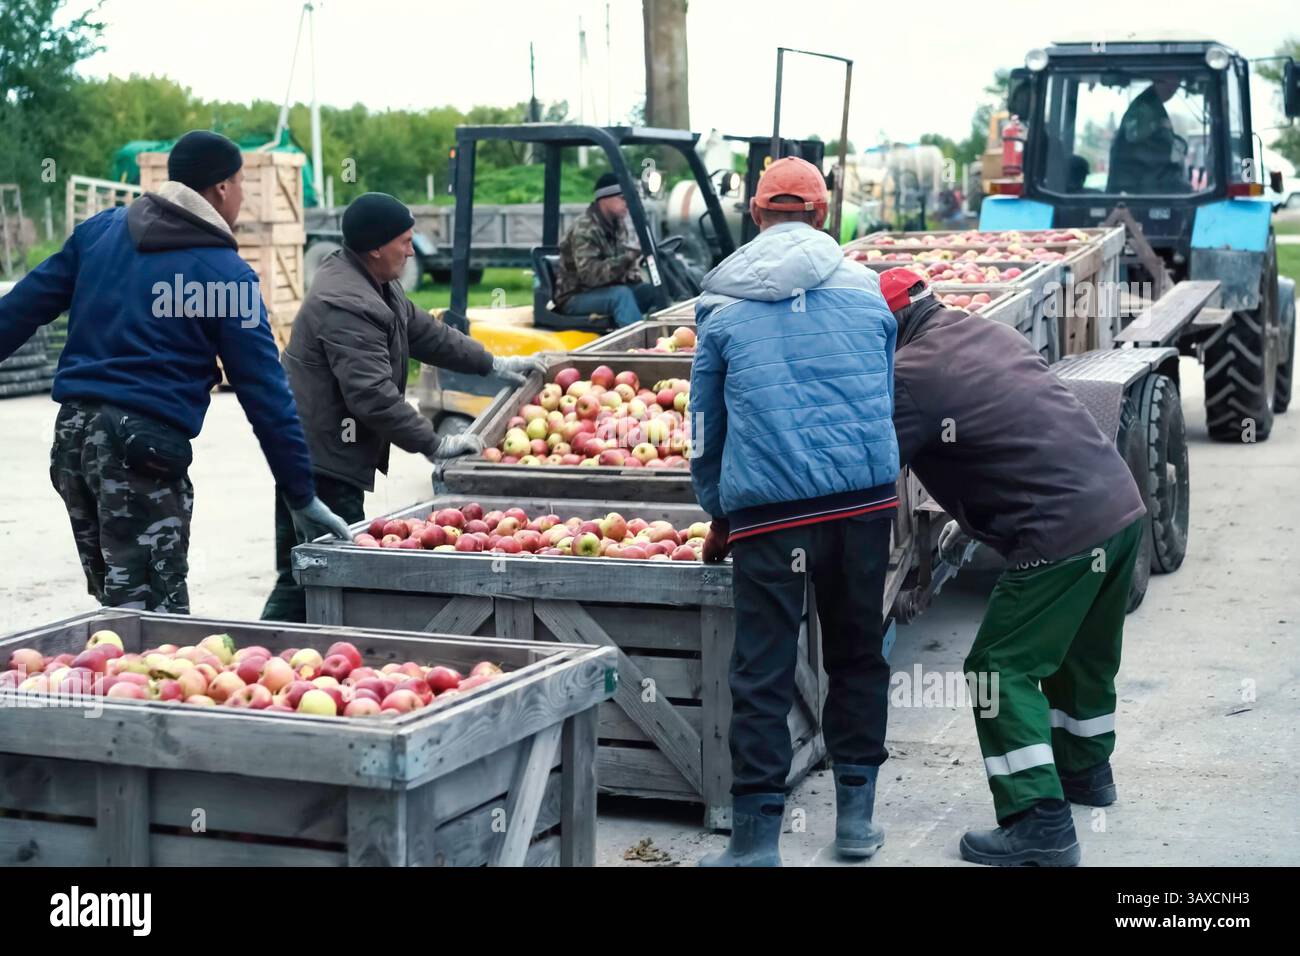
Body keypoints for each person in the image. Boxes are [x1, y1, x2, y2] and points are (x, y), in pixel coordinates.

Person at [0, 130, 349, 613]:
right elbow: (266, 394)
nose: (243, 195)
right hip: (138, 449)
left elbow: (17, 311)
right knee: (154, 621)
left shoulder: (100, 233)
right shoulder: (227, 274)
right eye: (242, 183)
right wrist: (301, 494)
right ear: (223, 188)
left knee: (118, 607)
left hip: (73, 444)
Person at [880, 267, 1147, 867]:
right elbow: (1007, 430)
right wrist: (972, 521)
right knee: (1081, 653)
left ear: (891, 325)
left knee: (998, 670)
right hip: (1120, 510)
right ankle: (1087, 772)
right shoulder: (988, 332)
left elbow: (871, 470)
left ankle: (1039, 823)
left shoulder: (908, 375)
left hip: (1061, 533)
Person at [692, 157, 901, 867]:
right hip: (864, 505)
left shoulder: (719, 304)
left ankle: (756, 846)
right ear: (823, 215)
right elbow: (881, 390)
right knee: (858, 656)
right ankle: (856, 824)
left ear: (757, 216)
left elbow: (707, 430)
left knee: (762, 671)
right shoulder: (872, 291)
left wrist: (718, 513)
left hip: (771, 515)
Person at [261, 192, 544, 621]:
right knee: (332, 573)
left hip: (312, 450)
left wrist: (492, 363)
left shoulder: (372, 282)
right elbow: (372, 395)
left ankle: (275, 653)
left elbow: (428, 334)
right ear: (376, 246)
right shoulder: (347, 302)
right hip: (321, 458)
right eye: (405, 241)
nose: (412, 251)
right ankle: (296, 656)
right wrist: (432, 443)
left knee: (305, 574)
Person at [552, 172, 657, 327]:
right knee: (621, 296)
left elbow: (621, 264)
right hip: (576, 296)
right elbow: (590, 277)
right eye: (623, 198)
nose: (628, 203)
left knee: (652, 291)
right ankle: (638, 347)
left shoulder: (617, 225)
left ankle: (670, 337)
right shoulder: (585, 229)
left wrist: (634, 267)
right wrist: (628, 257)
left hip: (606, 290)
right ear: (604, 199)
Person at [1108, 76, 1186, 194]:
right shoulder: (1144, 107)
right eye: (1174, 83)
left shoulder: (1153, 105)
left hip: (1144, 185)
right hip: (1138, 187)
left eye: (1177, 84)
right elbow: (1134, 136)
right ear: (1160, 80)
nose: (1174, 88)